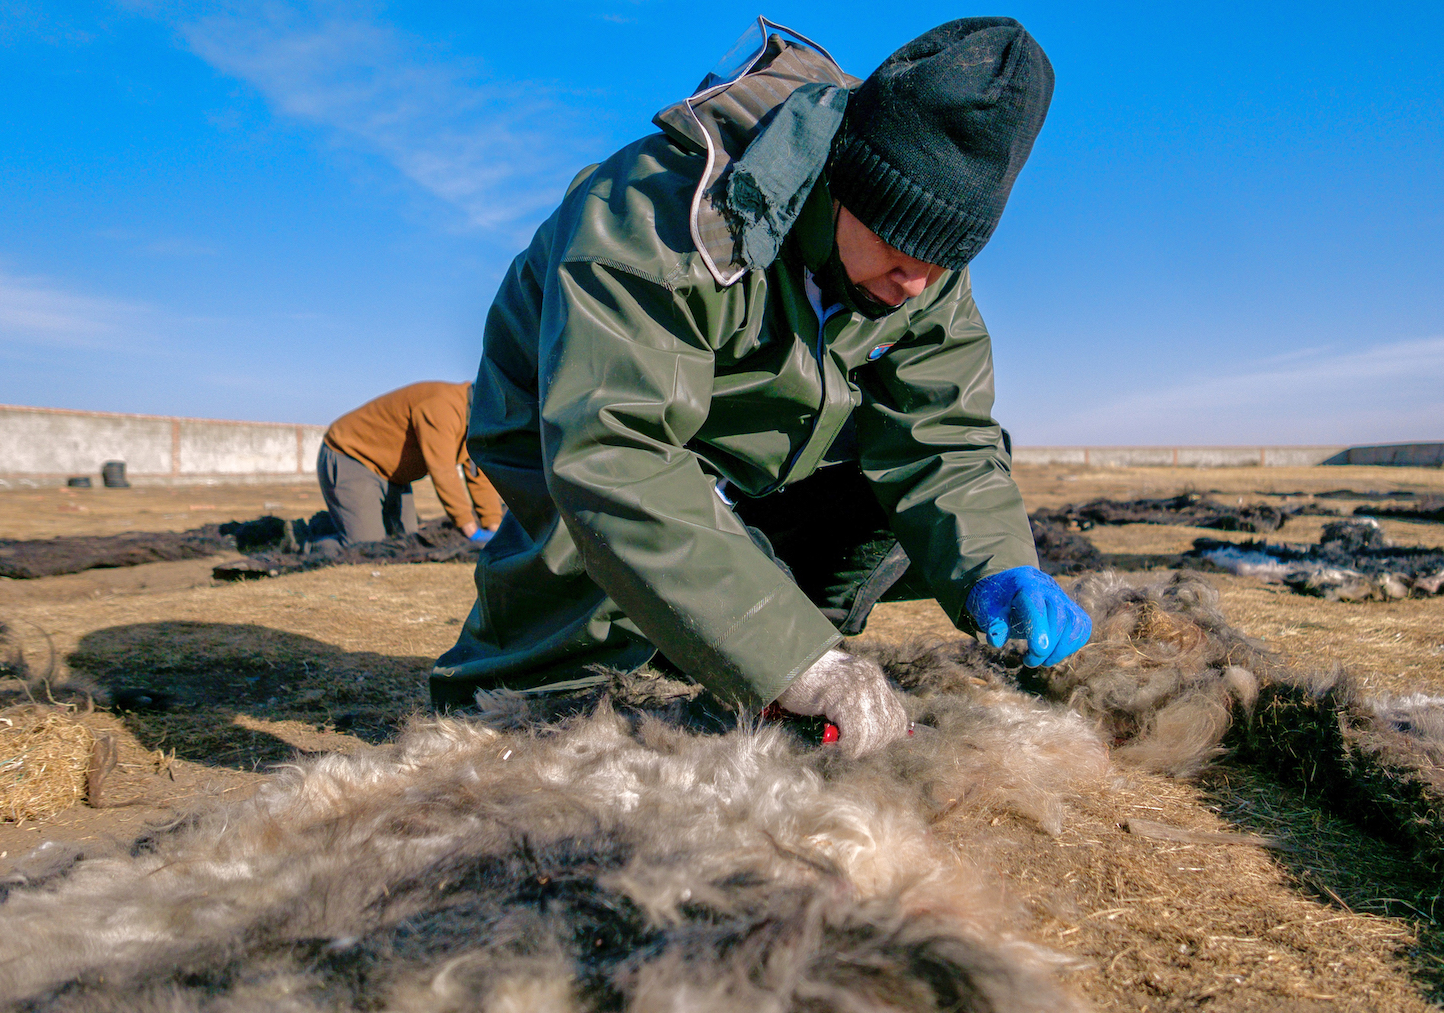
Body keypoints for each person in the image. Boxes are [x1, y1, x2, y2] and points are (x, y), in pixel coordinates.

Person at [432, 17, 1091, 754]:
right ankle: (554, 671)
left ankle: (754, 637)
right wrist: (792, 658)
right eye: (899, 246)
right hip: (561, 408)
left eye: (943, 259)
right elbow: (616, 451)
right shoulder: (662, 217)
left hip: (747, 428)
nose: (915, 282)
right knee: (556, 662)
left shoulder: (924, 272)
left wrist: (999, 563)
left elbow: (942, 436)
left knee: (874, 500)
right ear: (845, 180)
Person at [318, 380, 503, 546]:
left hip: (394, 476)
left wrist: (493, 527)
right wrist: (468, 527)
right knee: (367, 548)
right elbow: (443, 470)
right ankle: (307, 542)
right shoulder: (443, 407)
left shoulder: (476, 422)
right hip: (352, 457)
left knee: (407, 541)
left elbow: (478, 473)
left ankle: (346, 521)